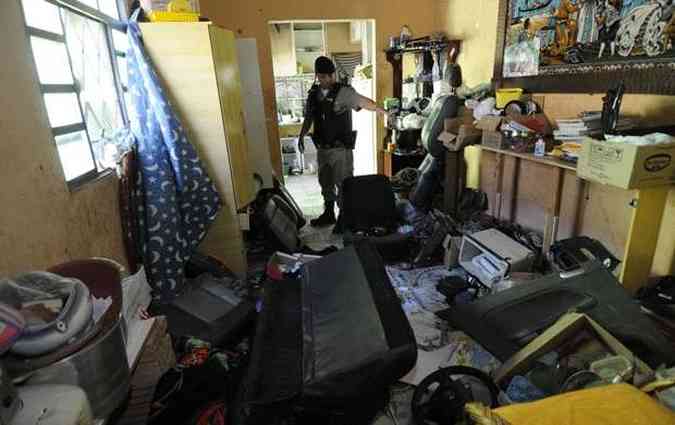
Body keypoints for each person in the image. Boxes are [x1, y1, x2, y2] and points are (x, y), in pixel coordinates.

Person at [297, 56, 385, 232]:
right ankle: (328, 213)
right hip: (322, 149)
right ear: (317, 76)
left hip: (340, 150)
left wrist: (379, 109)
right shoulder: (313, 94)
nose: (327, 80)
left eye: (330, 76)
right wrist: (301, 135)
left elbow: (362, 101)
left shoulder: (343, 92)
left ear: (333, 74)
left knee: (344, 184)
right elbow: (309, 117)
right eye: (322, 77)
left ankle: (344, 218)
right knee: (325, 183)